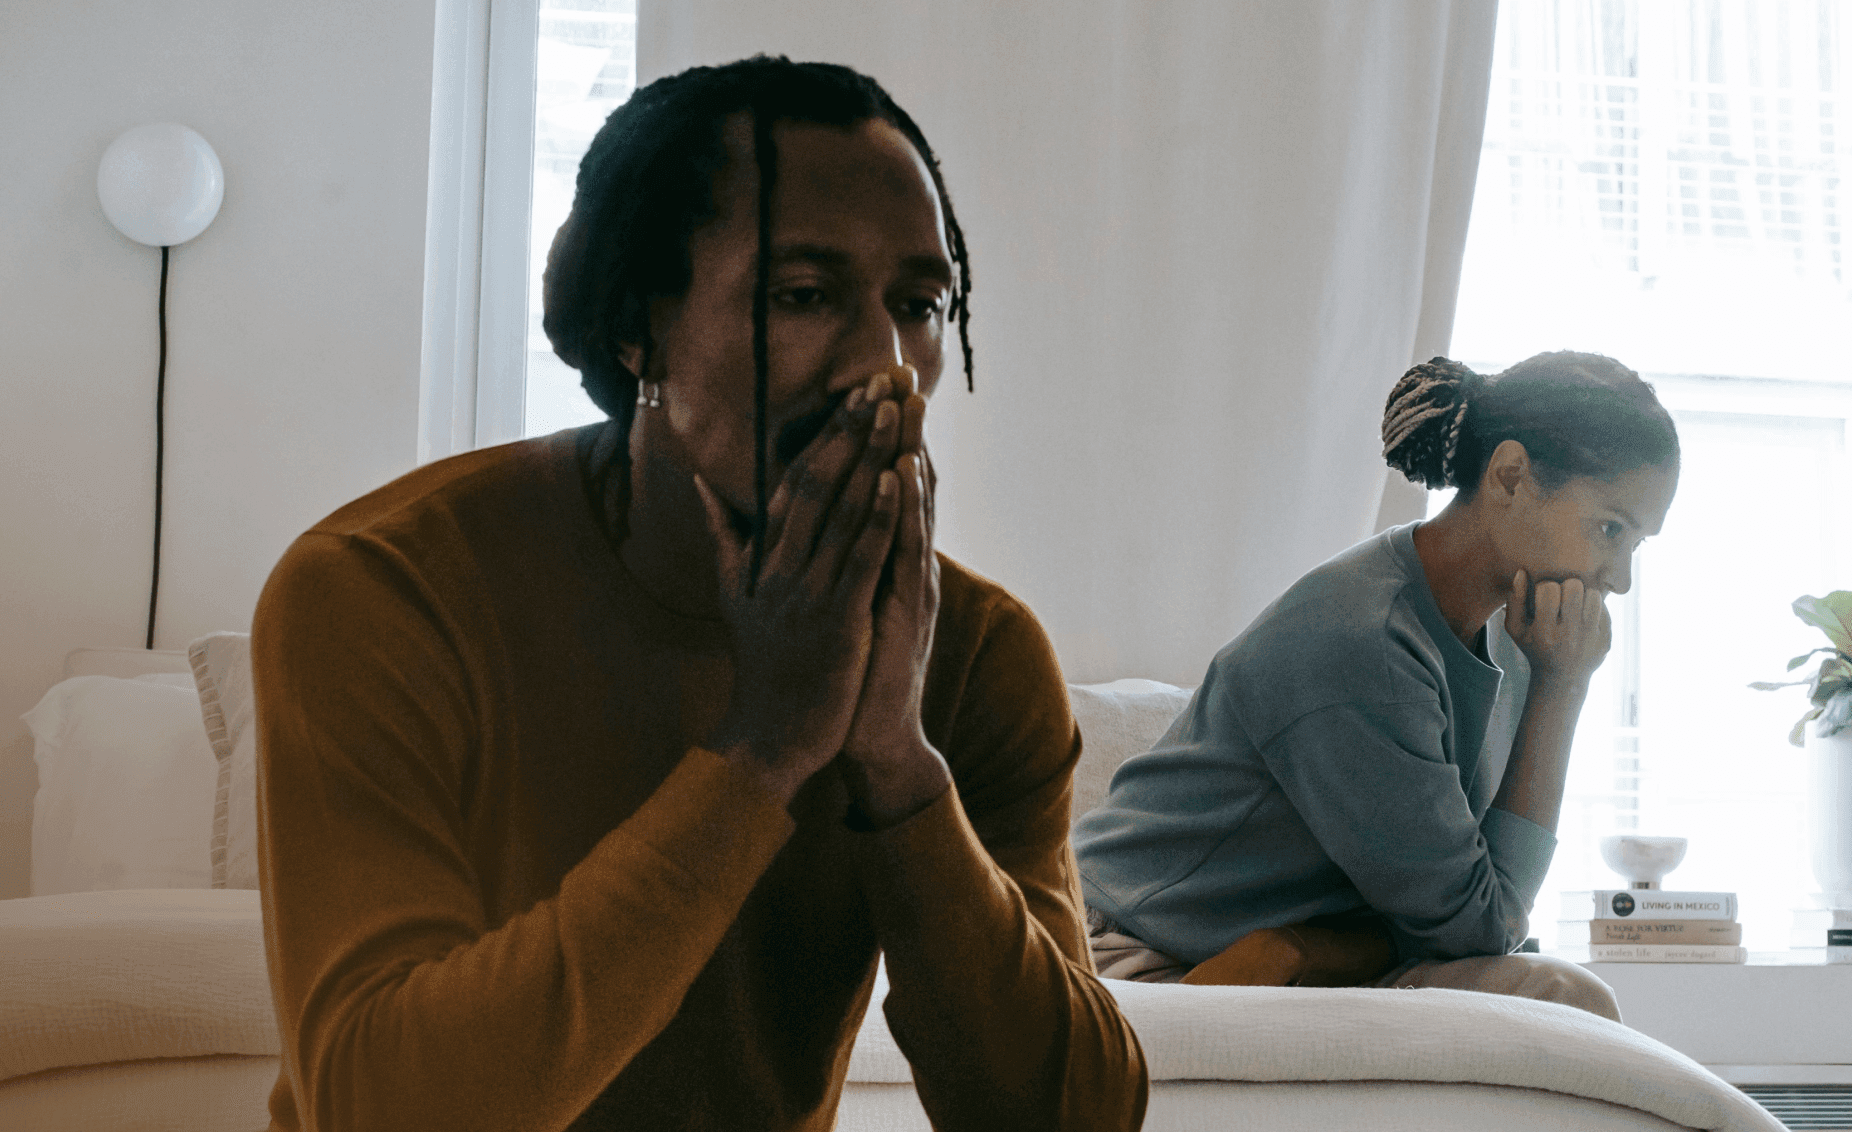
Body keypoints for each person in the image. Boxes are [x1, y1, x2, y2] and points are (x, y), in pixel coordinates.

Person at [250, 57, 1146, 1131]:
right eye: (801, 296)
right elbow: (383, 1108)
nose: (885, 367)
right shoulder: (383, 590)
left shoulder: (978, 654)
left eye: (918, 305)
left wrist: (899, 767)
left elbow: (1074, 1118)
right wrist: (761, 750)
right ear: (638, 328)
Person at [1071, 352, 1682, 1019]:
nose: (1617, 578)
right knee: (1560, 998)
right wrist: (1562, 691)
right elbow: (1480, 928)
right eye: (1609, 529)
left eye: (1635, 544)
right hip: (1137, 951)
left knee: (1566, 999)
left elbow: (1470, 918)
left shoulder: (1516, 629)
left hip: (1278, 954)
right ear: (1510, 476)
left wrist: (1300, 949)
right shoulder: (1362, 640)